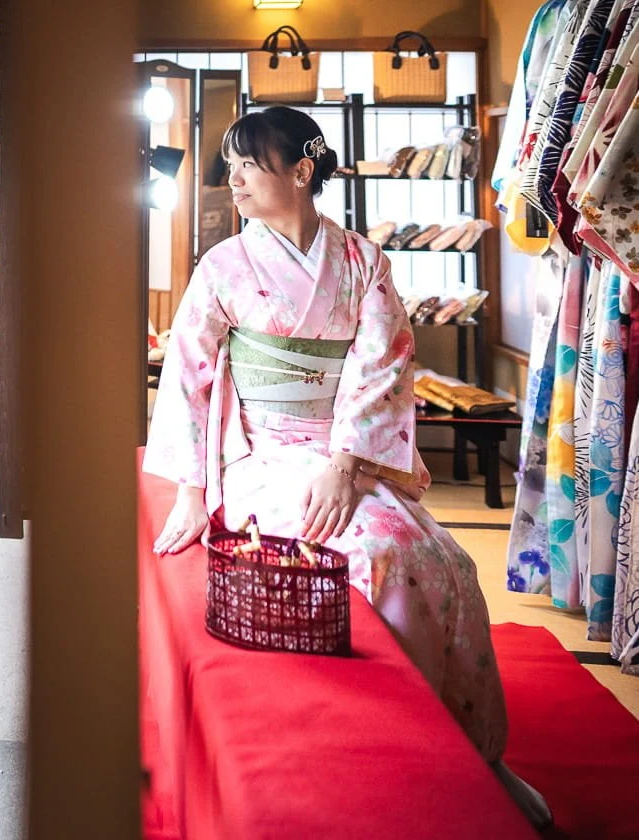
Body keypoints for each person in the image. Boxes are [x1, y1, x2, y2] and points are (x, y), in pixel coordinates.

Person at [142, 106, 552, 829]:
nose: (231, 179)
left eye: (247, 164)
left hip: (343, 453)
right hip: (262, 455)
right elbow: (189, 377)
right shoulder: (224, 266)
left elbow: (383, 363)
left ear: (301, 172)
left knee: (446, 558)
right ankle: (386, 746)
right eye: (231, 164)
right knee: (374, 553)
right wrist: (191, 491)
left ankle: (474, 754)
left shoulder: (362, 260)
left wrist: (345, 461)